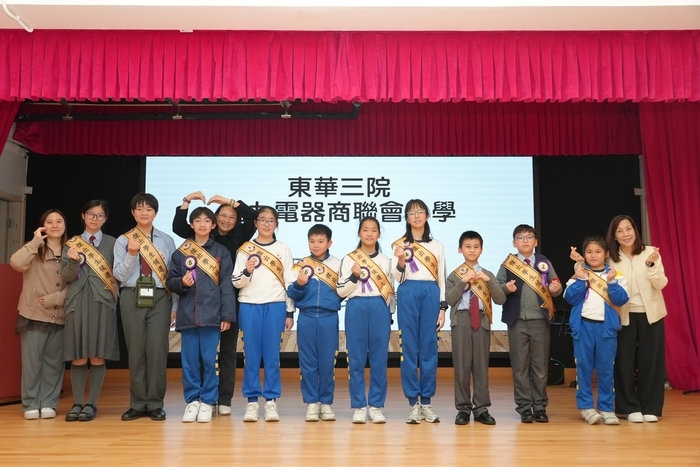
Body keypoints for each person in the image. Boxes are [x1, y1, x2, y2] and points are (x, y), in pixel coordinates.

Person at [173, 192, 256, 416]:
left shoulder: (238, 237)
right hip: (198, 303)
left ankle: (223, 398)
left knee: (227, 352)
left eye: (232, 217)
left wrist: (229, 201)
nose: (227, 220)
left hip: (228, 300)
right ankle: (199, 399)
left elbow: (252, 217)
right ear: (214, 219)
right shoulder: (197, 237)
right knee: (199, 355)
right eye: (223, 215)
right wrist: (187, 200)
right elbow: (178, 225)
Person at [167, 207, 236, 423]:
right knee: (189, 362)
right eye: (198, 221)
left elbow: (226, 286)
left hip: (212, 316)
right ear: (191, 224)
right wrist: (181, 283)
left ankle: (207, 401)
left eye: (207, 221)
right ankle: (192, 401)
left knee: (209, 360)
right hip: (188, 315)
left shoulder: (221, 252)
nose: (203, 224)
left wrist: (227, 315)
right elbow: (170, 280)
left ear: (213, 225)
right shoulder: (181, 252)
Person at [113, 193, 177, 422]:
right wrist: (132, 254)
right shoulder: (123, 240)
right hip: (132, 296)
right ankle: (138, 403)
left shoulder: (167, 240)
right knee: (136, 350)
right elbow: (119, 275)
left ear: (156, 213)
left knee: (157, 350)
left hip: (160, 297)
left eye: (149, 209)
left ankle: (156, 403)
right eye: (139, 208)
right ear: (133, 213)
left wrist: (175, 306)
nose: (144, 212)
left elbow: (173, 276)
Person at [232, 206, 295, 422]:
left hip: (275, 305)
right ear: (255, 223)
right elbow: (236, 282)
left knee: (272, 356)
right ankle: (251, 401)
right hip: (249, 305)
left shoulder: (283, 249)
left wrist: (289, 311)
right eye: (263, 220)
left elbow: (289, 281)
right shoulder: (245, 249)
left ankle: (270, 401)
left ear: (276, 224)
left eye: (271, 220)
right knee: (251, 356)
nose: (267, 224)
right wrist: (247, 270)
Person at [606, 214, 668, 423]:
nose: (625, 234)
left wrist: (651, 266)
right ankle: (628, 407)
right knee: (624, 362)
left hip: (651, 315)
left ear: (635, 230)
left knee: (651, 362)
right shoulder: (611, 258)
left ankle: (650, 407)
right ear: (614, 236)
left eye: (628, 229)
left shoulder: (650, 252)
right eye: (620, 231)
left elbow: (661, 284)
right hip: (623, 316)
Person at [497, 224, 562, 423]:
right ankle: (524, 407)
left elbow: (556, 287)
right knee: (520, 367)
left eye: (529, 237)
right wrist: (506, 289)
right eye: (520, 237)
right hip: (517, 321)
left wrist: (555, 289)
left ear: (536, 241)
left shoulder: (544, 262)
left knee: (540, 367)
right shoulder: (508, 264)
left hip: (540, 321)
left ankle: (540, 406)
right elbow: (497, 291)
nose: (525, 240)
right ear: (514, 242)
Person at [61, 200, 119, 422]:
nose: (95, 219)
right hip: (77, 301)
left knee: (97, 355)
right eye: (91, 214)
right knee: (77, 356)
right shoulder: (71, 244)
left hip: (102, 302)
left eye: (100, 215)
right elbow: (66, 277)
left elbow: (119, 274)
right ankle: (77, 403)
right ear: (83, 216)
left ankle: (91, 403)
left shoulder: (114, 243)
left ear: (105, 219)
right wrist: (73, 262)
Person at [391, 199, 447, 424]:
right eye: (411, 212)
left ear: (427, 216)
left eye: (420, 212)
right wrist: (400, 260)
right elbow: (397, 277)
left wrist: (442, 307)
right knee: (409, 349)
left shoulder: (437, 245)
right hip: (408, 292)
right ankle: (413, 403)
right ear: (406, 218)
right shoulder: (400, 244)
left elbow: (442, 277)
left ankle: (427, 402)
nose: (416, 216)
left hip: (431, 293)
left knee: (429, 349)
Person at [10, 209, 69, 420]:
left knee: (54, 363)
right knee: (32, 363)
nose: (54, 225)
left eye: (59, 221)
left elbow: (79, 281)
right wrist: (36, 241)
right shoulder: (34, 248)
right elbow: (16, 263)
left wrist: (59, 298)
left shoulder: (72, 249)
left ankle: (49, 403)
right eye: (49, 222)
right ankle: (31, 404)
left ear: (65, 225)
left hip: (61, 313)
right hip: (33, 313)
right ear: (42, 226)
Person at [564, 237, 628, 426]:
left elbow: (621, 299)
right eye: (589, 252)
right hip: (583, 327)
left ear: (606, 254)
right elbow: (569, 298)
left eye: (598, 251)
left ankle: (607, 409)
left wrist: (612, 283)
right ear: (584, 254)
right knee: (583, 369)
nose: (593, 255)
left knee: (606, 370)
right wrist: (580, 280)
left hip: (606, 329)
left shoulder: (616, 275)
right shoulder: (579, 273)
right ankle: (586, 408)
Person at [337, 216, 394, 424]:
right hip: (356, 307)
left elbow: (391, 291)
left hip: (379, 308)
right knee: (356, 359)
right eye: (365, 229)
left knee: (379, 359)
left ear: (379, 234)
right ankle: (359, 406)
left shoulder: (386, 260)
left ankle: (376, 406)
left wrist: (389, 314)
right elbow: (341, 291)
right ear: (359, 233)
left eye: (373, 230)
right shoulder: (349, 259)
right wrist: (353, 277)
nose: (369, 233)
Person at [446, 230, 506, 426]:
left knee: (481, 366)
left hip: (481, 320)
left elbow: (500, 299)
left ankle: (481, 409)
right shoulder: (455, 275)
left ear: (481, 250)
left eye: (476, 247)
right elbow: (449, 300)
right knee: (461, 366)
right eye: (468, 247)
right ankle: (463, 408)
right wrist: (463, 283)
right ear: (460, 249)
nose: (472, 250)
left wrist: (489, 281)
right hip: (461, 320)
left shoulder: (487, 274)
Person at [287, 224, 343, 422]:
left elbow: (344, 291)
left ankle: (326, 403)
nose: (316, 245)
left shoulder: (338, 264)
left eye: (320, 241)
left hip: (329, 318)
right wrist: (299, 284)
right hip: (307, 317)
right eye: (312, 241)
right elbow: (291, 293)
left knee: (327, 363)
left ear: (329, 243)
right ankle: (311, 402)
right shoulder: (301, 264)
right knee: (308, 362)